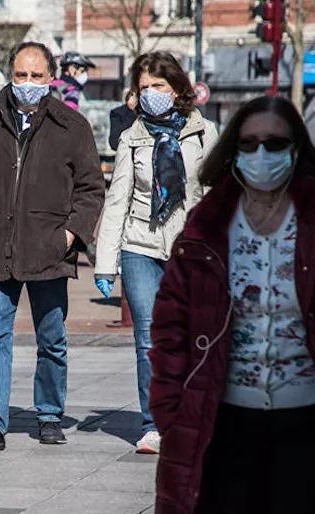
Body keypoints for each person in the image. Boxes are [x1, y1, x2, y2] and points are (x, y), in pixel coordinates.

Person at [148, 95, 315, 514]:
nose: (262, 154)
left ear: (296, 149)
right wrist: (170, 408)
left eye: (276, 144)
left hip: (308, 426)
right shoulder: (207, 229)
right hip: (228, 425)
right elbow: (171, 329)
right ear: (233, 151)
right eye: (250, 143)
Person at [0, 42, 105, 452]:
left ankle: (49, 414)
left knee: (51, 337)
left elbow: (91, 190)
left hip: (48, 249)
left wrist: (70, 235)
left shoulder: (72, 126)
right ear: (10, 76)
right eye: (20, 76)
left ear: (51, 77)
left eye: (35, 76)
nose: (27, 84)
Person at [93, 52, 218, 454]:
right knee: (149, 337)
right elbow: (118, 201)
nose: (150, 94)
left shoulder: (204, 132)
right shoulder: (133, 135)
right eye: (144, 87)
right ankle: (155, 424)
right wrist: (105, 263)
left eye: (158, 86)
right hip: (140, 247)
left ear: (178, 89)